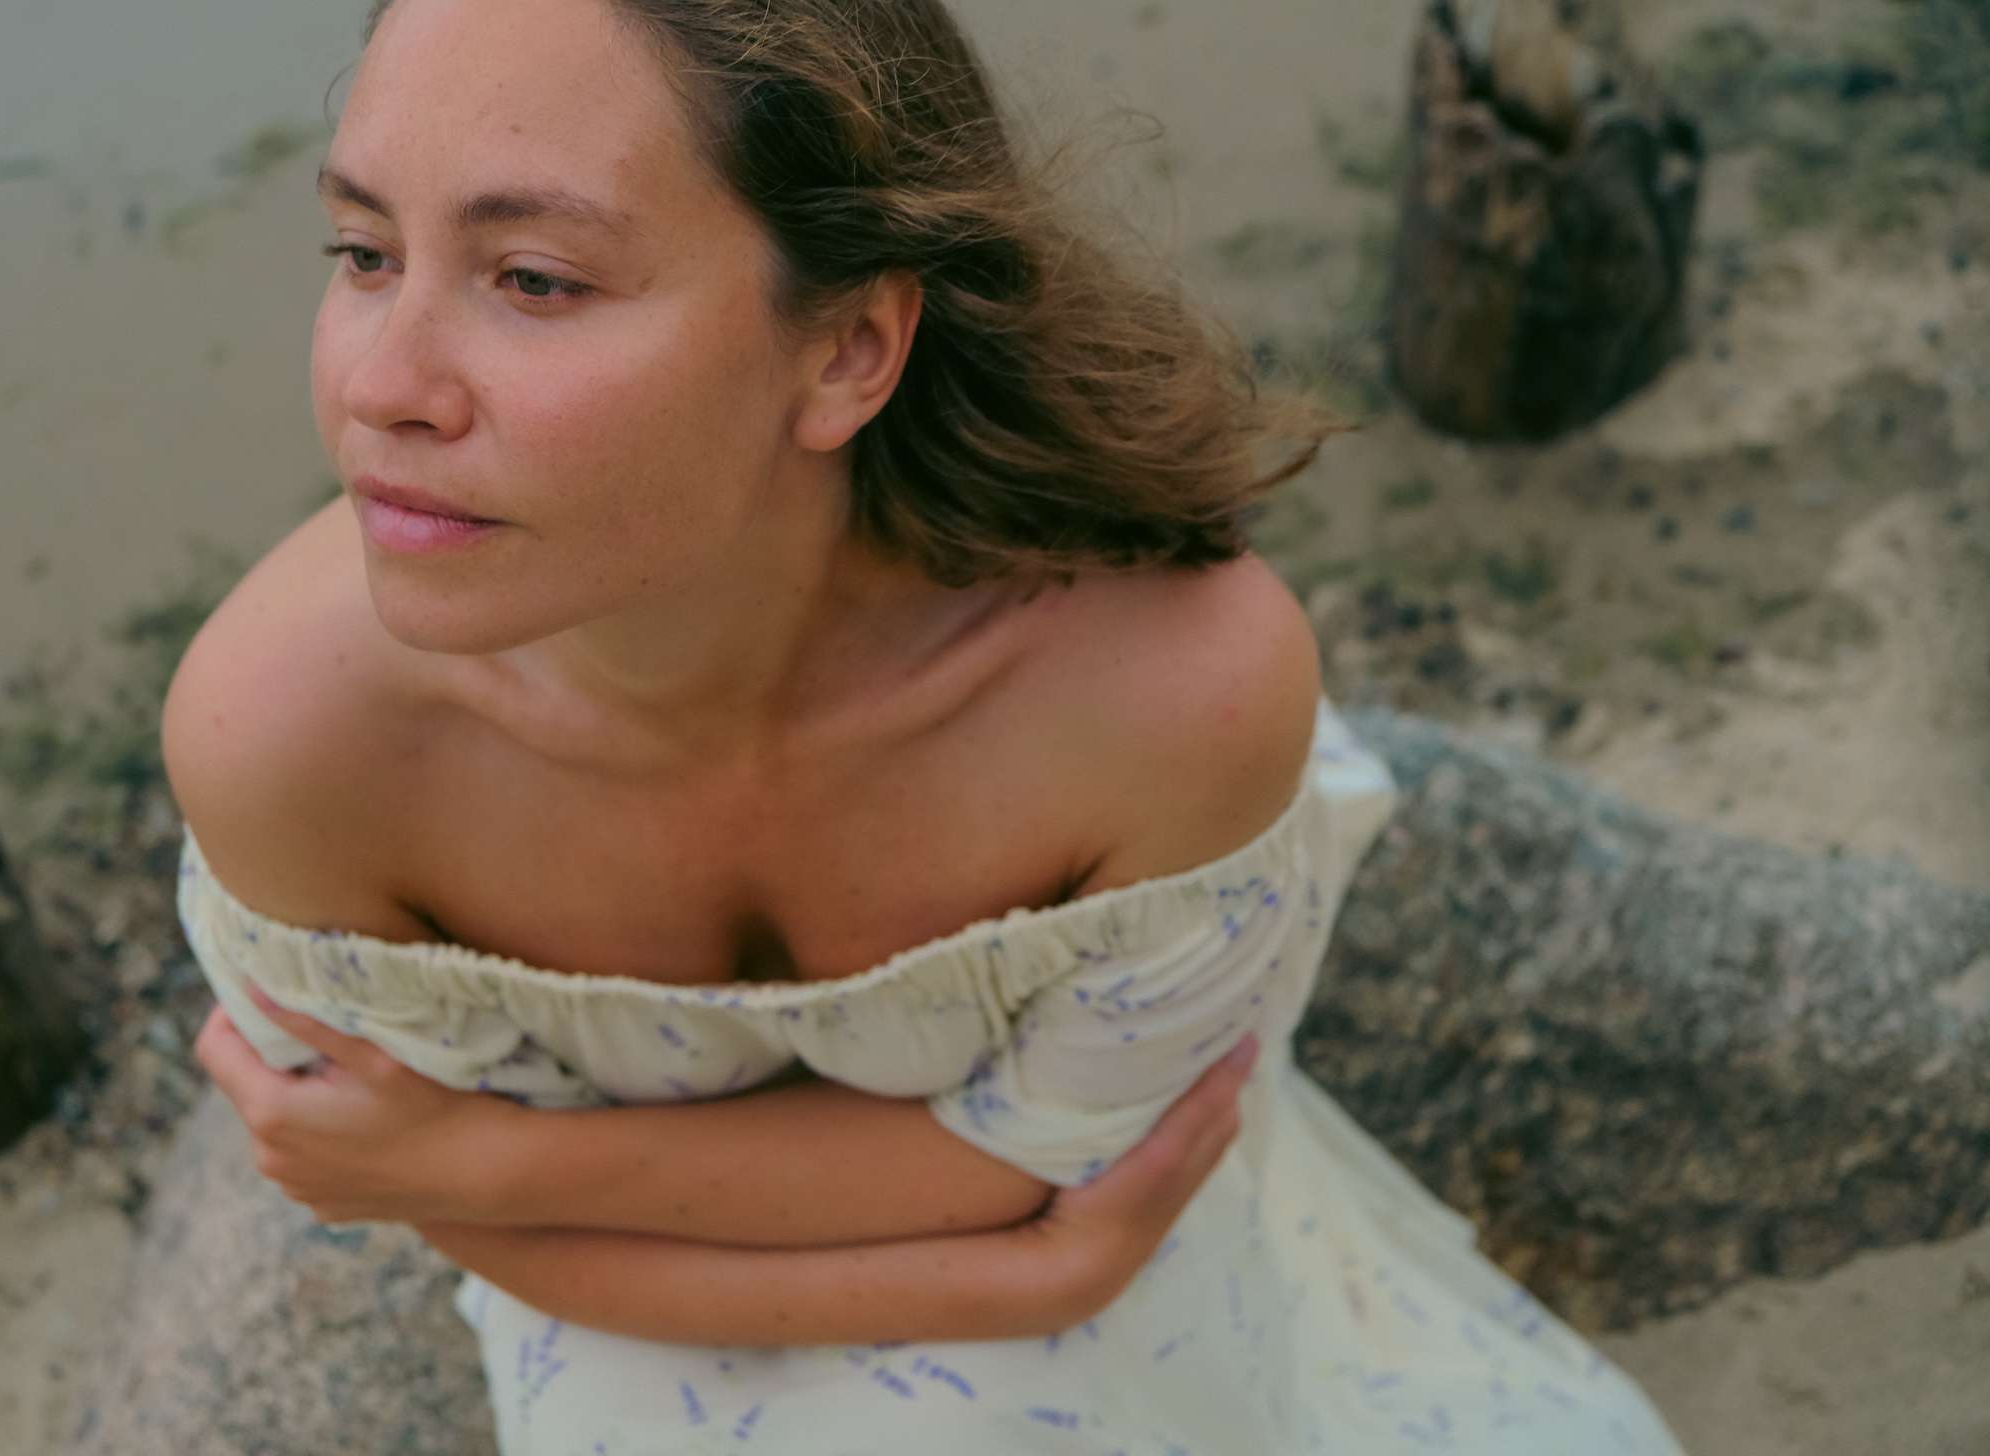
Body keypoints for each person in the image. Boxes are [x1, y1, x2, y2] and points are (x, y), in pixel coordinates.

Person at [169, 0, 1686, 1450]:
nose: (382, 386)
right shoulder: (287, 739)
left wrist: (484, 1155)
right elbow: (470, 1232)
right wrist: (1025, 1273)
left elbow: (1060, 1156)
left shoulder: (1159, 693)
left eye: (535, 280)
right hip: (626, 1322)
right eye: (364, 252)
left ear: (847, 350)